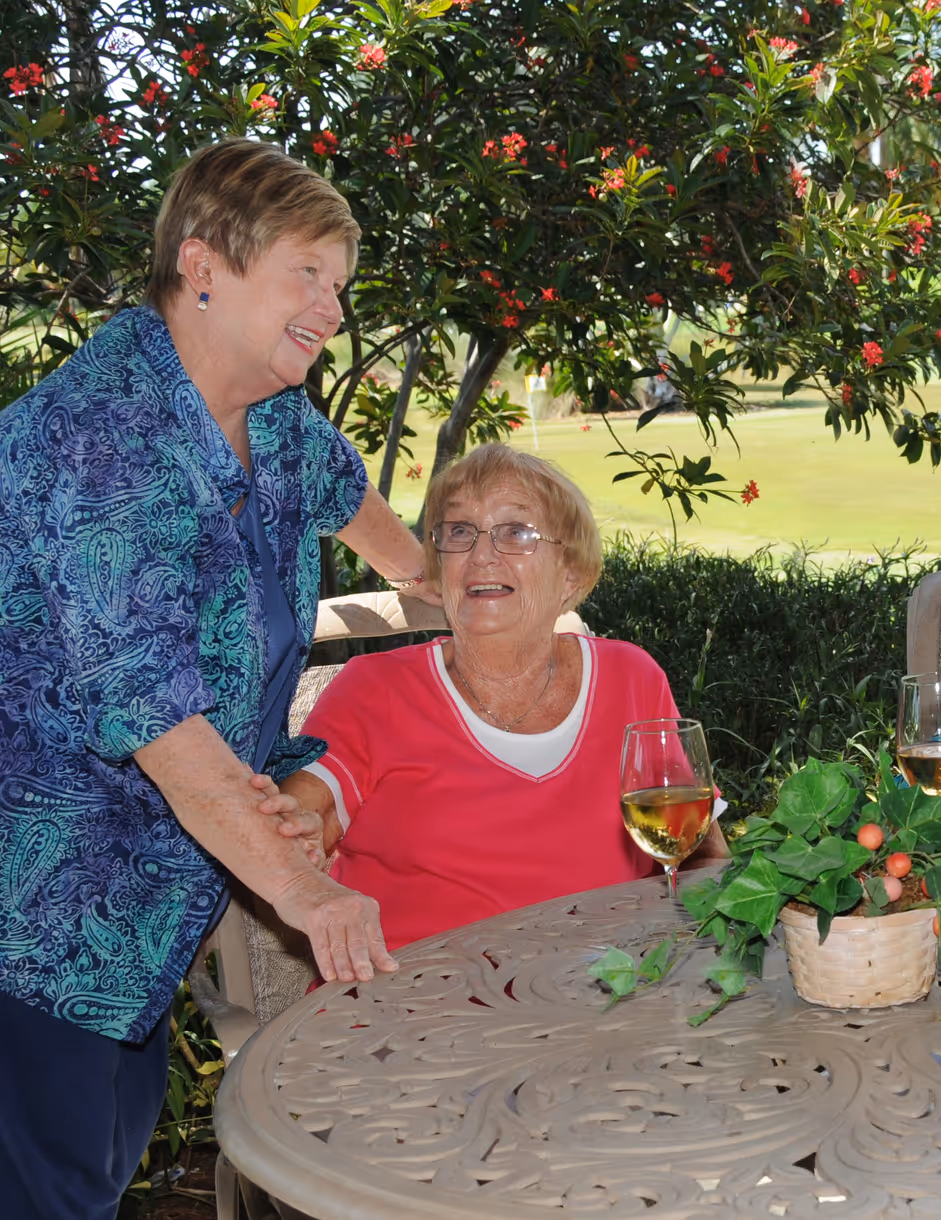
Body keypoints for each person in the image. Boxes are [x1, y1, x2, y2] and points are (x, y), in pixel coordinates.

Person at [0, 139, 424, 1216]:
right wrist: (306, 891)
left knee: (94, 1170)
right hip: (33, 912)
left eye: (341, 284)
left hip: (147, 907)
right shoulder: (98, 434)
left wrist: (465, 591)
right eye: (307, 273)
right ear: (202, 263)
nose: (331, 307)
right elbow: (160, 721)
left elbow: (362, 511)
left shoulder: (273, 415)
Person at [259, 445, 727, 948]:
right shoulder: (374, 690)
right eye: (459, 532)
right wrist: (291, 831)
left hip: (604, 1000)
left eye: (516, 532)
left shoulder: (630, 678)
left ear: (570, 575)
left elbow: (701, 853)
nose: (481, 554)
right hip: (417, 1010)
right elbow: (303, 818)